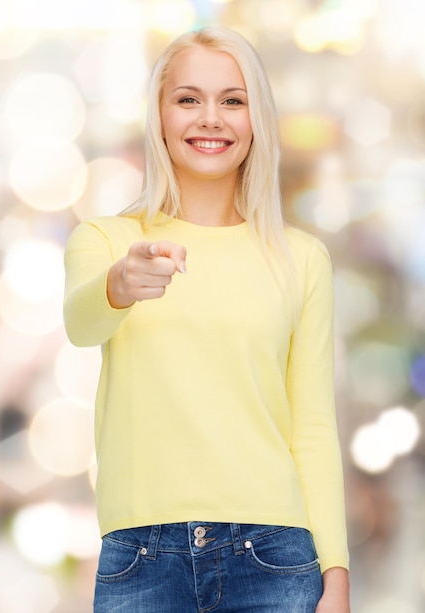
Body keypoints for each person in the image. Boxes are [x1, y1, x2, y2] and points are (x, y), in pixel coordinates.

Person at [63, 25, 350, 613]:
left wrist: (337, 577)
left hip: (275, 558)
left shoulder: (301, 259)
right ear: (161, 117)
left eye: (233, 100)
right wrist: (119, 285)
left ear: (255, 121)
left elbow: (314, 430)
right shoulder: (107, 240)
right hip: (141, 559)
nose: (210, 118)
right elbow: (80, 323)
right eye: (188, 99)